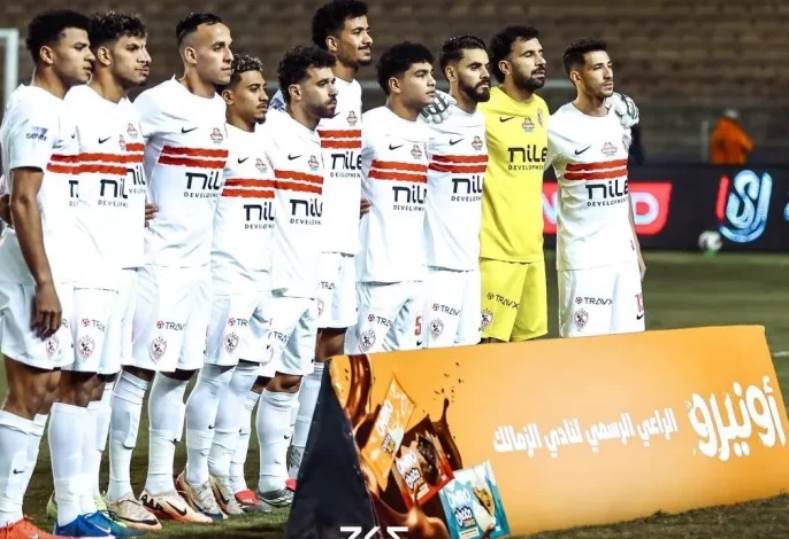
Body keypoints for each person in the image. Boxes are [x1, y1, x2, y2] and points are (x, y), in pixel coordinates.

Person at [108, 11, 232, 523]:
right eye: (218, 47)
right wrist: (131, 199)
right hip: (158, 260)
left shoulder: (220, 108)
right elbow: (117, 154)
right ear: (191, 54)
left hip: (200, 264)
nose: (228, 55)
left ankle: (159, 484)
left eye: (229, 46)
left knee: (182, 370)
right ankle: (117, 489)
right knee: (138, 370)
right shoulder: (156, 103)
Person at [44, 11, 153, 536]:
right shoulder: (71, 108)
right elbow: (28, 188)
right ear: (104, 55)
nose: (146, 58)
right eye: (134, 48)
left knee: (101, 384)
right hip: (84, 269)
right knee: (77, 382)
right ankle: (69, 510)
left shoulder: (128, 113)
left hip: (125, 265)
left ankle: (87, 501)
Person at [0, 10, 98, 539]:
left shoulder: (53, 109)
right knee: (31, 388)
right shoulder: (35, 109)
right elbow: (22, 199)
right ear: (47, 53)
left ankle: (13, 515)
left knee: (48, 385)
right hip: (32, 273)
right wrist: (44, 282)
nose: (89, 56)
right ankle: (4, 517)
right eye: (79, 47)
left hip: (54, 266)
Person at [285, 0, 373, 483]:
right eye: (357, 32)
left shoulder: (353, 93)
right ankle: (281, 460)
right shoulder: (300, 96)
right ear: (332, 42)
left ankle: (306, 453)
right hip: (311, 243)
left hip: (345, 240)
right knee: (299, 350)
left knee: (333, 344)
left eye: (367, 30)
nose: (367, 39)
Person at [184, 53, 274, 517]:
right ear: (228, 96)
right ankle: (194, 475)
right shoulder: (218, 145)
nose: (264, 96)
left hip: (262, 277)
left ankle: (225, 472)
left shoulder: (268, 142)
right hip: (226, 276)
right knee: (216, 375)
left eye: (264, 88)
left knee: (246, 378)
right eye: (254, 89)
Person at [254, 45, 336, 508]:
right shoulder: (271, 133)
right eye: (323, 84)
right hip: (275, 282)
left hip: (306, 281)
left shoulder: (313, 140)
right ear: (296, 91)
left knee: (290, 380)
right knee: (252, 381)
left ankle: (274, 478)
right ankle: (224, 476)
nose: (332, 91)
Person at [546, 38, 645, 337]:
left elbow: (621, 188)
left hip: (623, 259)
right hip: (583, 262)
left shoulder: (619, 119)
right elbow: (524, 178)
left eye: (609, 66)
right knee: (584, 354)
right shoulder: (557, 127)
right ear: (577, 76)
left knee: (630, 350)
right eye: (597, 68)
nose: (608, 73)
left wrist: (636, 249)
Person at [345, 42, 435, 354]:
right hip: (375, 273)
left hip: (415, 272)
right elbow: (333, 167)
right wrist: (346, 196)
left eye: (431, 74)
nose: (431, 81)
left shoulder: (428, 134)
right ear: (395, 84)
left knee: (408, 367)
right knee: (361, 366)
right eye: (420, 75)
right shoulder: (370, 125)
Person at [476, 26, 550, 343]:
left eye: (541, 53)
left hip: (532, 250)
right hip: (495, 253)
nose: (541, 61)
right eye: (529, 55)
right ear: (505, 66)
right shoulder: (482, 108)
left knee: (529, 351)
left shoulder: (541, 108)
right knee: (488, 349)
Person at [421, 35, 490, 348]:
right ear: (450, 73)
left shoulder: (480, 120)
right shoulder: (432, 118)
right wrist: (423, 105)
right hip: (436, 266)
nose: (484, 74)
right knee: (432, 361)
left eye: (486, 66)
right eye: (474, 67)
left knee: (468, 356)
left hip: (470, 266)